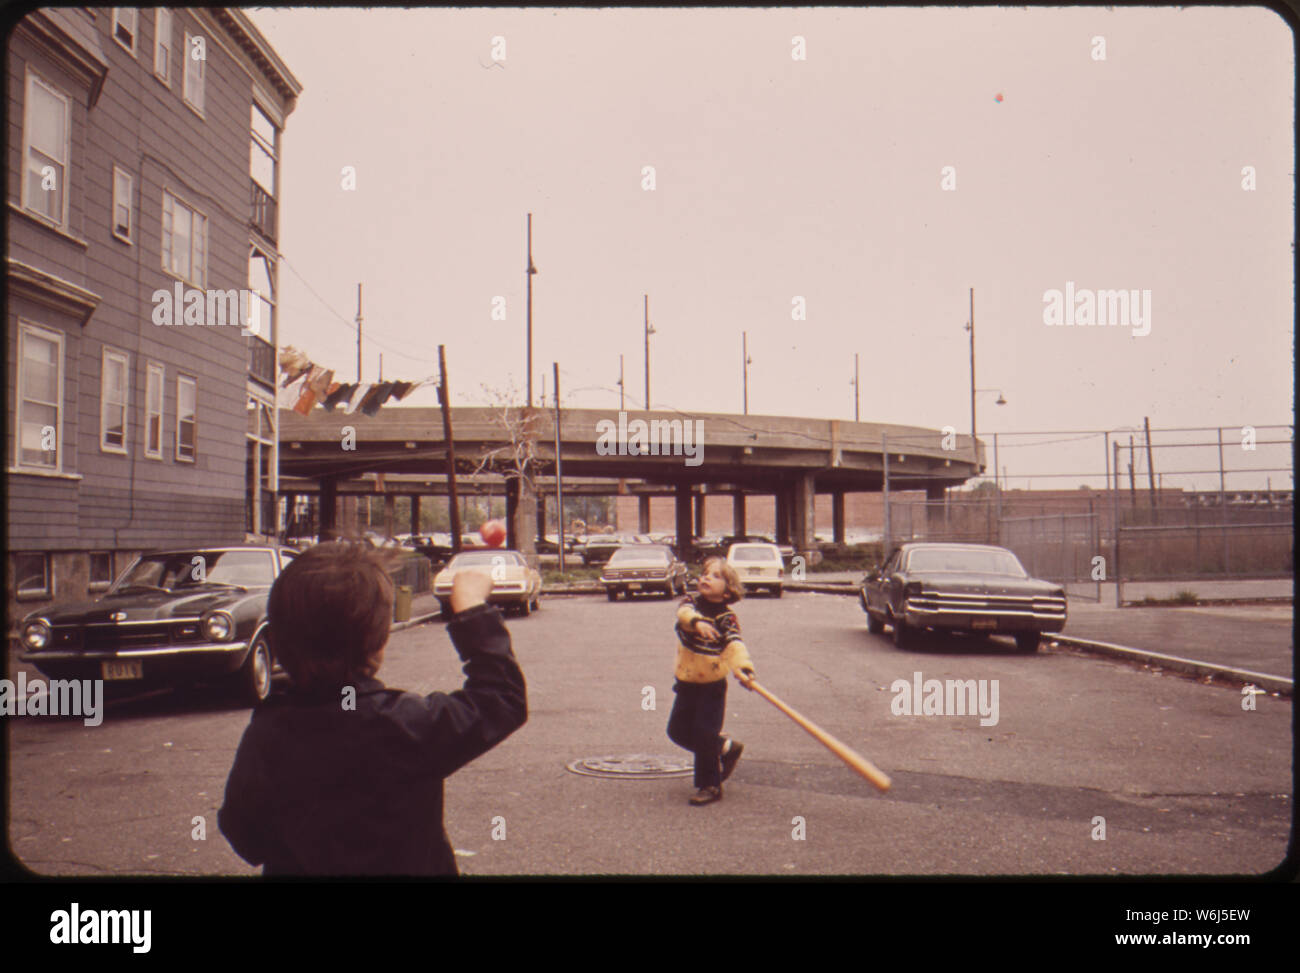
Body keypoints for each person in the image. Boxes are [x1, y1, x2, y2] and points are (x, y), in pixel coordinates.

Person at [218, 541, 526, 875]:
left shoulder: (268, 734)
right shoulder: (404, 725)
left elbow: (246, 836)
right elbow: (500, 698)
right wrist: (470, 607)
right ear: (379, 640)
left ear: (278, 639)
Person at [666, 556, 756, 805]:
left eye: (715, 576)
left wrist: (744, 669)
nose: (706, 577)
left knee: (705, 734)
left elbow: (734, 645)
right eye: (705, 573)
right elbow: (683, 614)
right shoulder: (692, 604)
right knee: (677, 731)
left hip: (711, 687)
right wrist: (697, 622)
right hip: (687, 683)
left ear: (728, 592)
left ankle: (710, 785)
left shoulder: (727, 618)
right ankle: (726, 748)